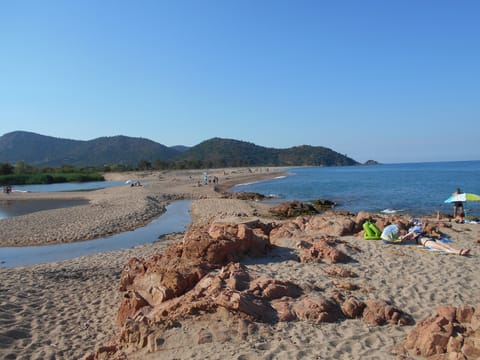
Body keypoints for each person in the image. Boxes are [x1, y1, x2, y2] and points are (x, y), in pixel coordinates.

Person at [400, 231, 470, 256]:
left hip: (432, 239)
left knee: (447, 245)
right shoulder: (411, 241)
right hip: (426, 242)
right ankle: (458, 252)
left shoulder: (414, 234)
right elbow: (404, 239)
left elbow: (411, 233)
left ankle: (457, 250)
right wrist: (403, 237)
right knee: (443, 248)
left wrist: (405, 236)